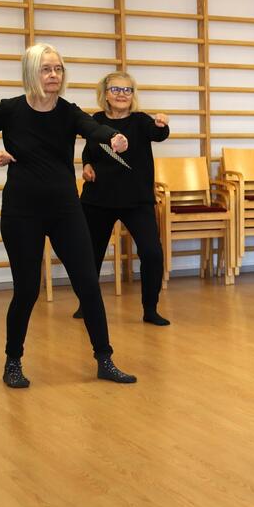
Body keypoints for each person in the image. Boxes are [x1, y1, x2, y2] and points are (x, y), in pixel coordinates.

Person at [0, 43, 138, 388]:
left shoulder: (68, 112)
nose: (54, 75)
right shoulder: (9, 110)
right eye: (46, 69)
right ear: (31, 73)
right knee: (26, 290)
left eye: (58, 69)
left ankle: (105, 359)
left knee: (87, 284)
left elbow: (92, 128)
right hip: (21, 212)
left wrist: (113, 136)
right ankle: (13, 361)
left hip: (65, 211)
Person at [72, 71, 170, 326]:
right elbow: (88, 150)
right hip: (98, 199)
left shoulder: (141, 121)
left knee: (151, 253)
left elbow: (158, 134)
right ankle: (86, 303)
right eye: (116, 89)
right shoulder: (95, 121)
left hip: (136, 200)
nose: (122, 95)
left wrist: (161, 124)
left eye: (127, 90)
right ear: (105, 94)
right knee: (89, 255)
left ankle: (150, 308)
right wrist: (87, 165)